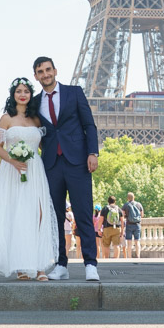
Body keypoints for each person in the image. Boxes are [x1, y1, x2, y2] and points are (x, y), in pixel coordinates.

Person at [0, 76, 58, 281]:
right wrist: (13, 162)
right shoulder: (6, 118)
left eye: (26, 91)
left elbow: (44, 146)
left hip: (35, 170)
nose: (23, 95)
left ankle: (41, 267)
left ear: (30, 94)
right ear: (13, 95)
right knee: (19, 215)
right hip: (13, 171)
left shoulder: (36, 119)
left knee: (39, 215)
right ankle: (21, 266)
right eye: (19, 91)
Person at [33, 56, 100, 281]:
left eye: (48, 70)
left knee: (83, 212)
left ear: (55, 71)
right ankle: (61, 263)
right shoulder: (34, 102)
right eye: (40, 71)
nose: (45, 74)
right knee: (56, 217)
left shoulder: (74, 92)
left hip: (78, 161)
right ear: (36, 76)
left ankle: (90, 264)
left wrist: (92, 153)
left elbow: (88, 124)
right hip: (51, 164)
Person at [123, 191, 144, 259]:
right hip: (137, 224)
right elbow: (142, 215)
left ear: (127, 198)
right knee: (137, 241)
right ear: (133, 197)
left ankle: (129, 257)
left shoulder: (126, 205)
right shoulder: (139, 204)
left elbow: (122, 215)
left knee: (129, 242)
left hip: (129, 224)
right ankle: (138, 256)